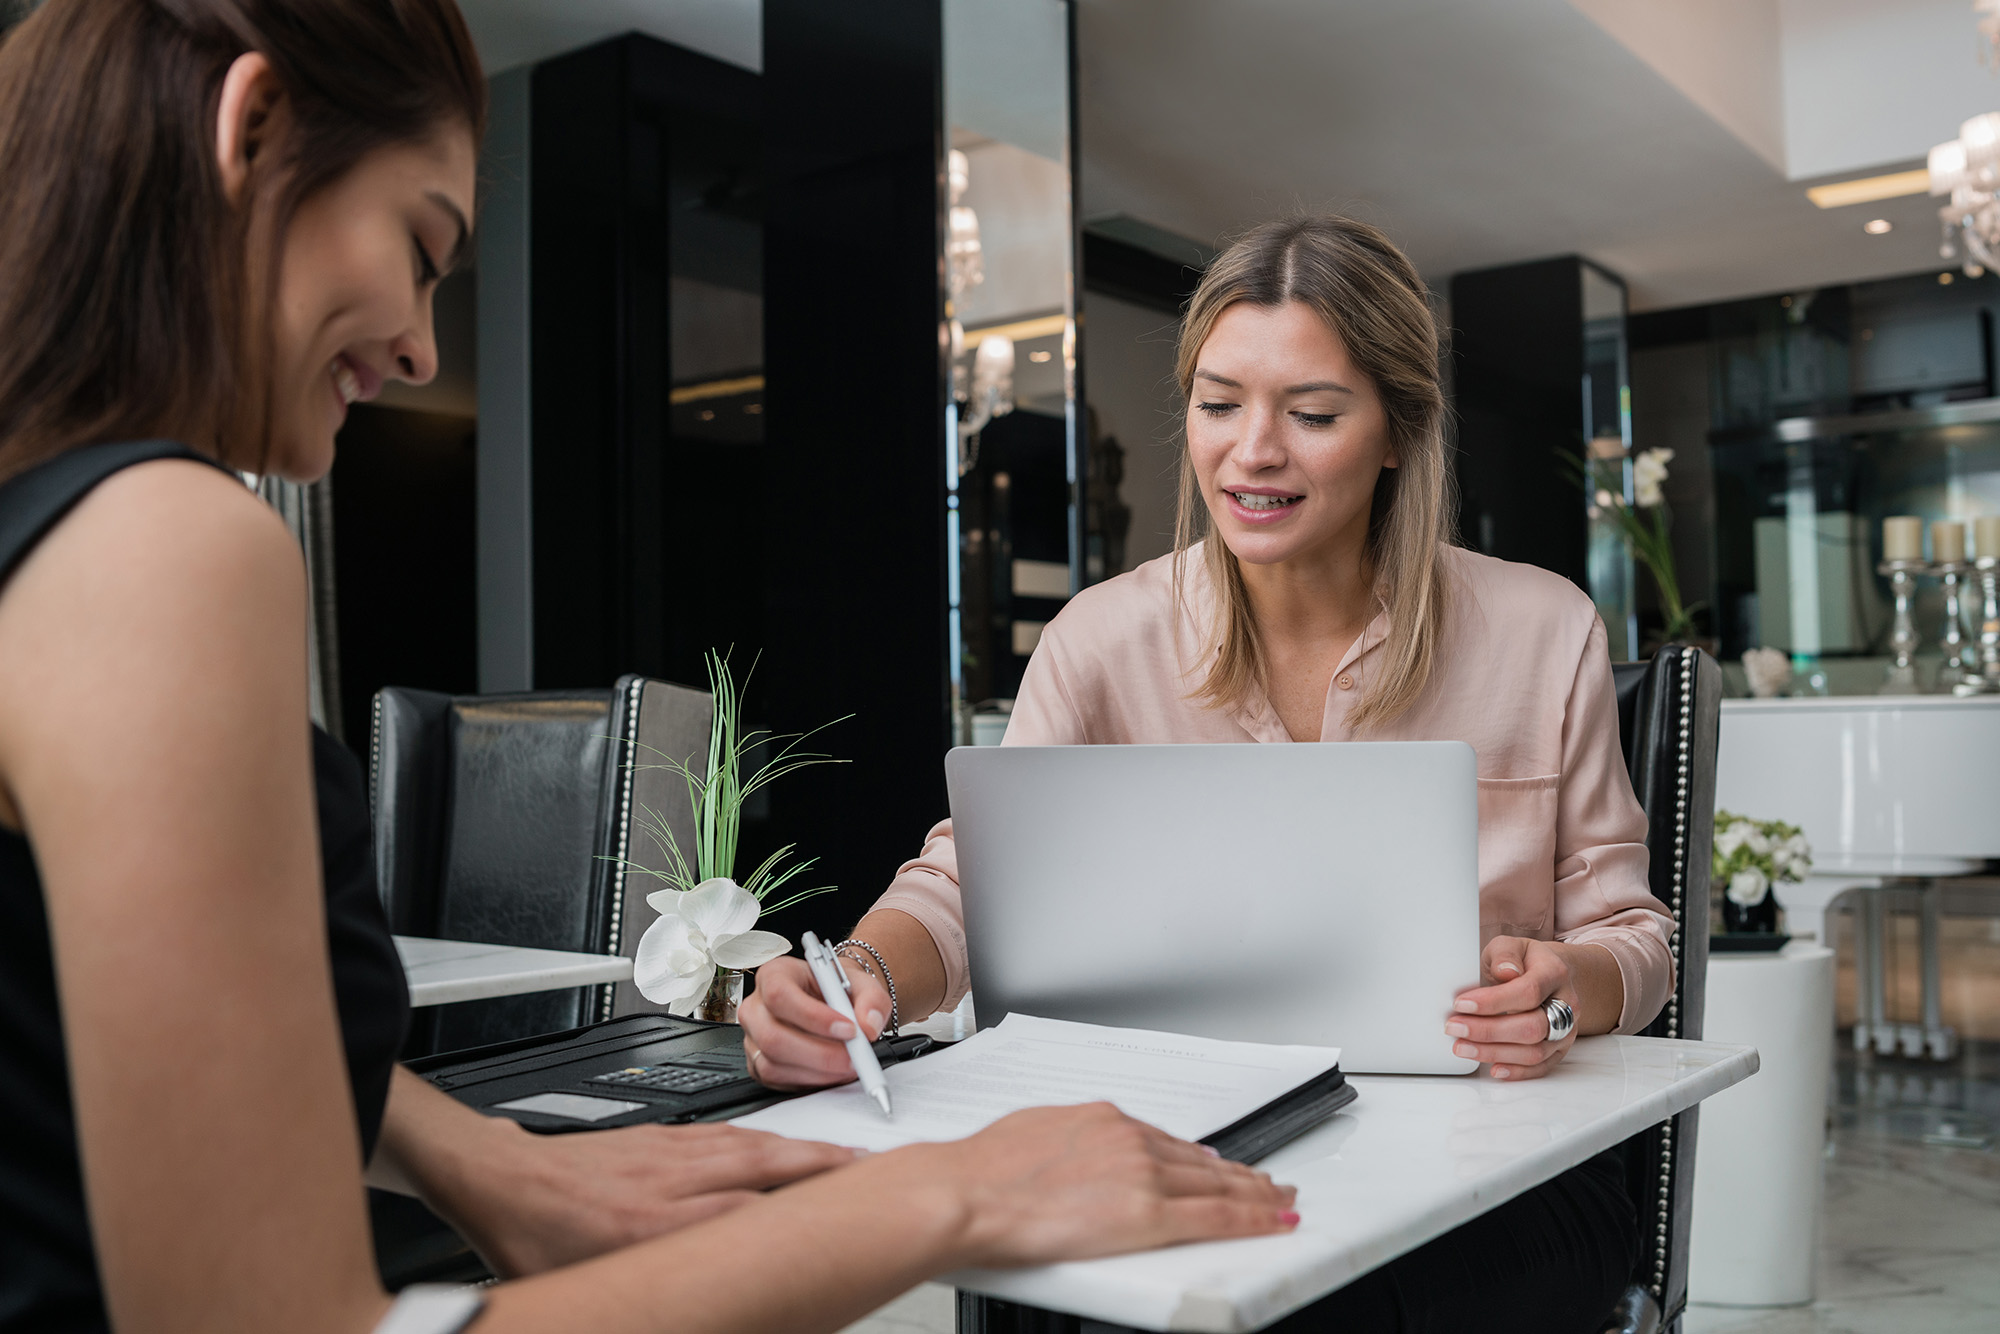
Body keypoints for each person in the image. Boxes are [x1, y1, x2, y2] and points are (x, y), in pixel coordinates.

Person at [0, 2, 1298, 1330]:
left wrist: (485, 1160)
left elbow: (114, 1024)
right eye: (422, 245)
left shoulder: (48, 532)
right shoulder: (165, 541)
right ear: (252, 127)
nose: (423, 349)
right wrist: (946, 1196)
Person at [742, 215, 1677, 1332]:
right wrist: (860, 974)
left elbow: (1634, 936)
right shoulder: (1099, 638)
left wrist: (1563, 989)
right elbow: (962, 885)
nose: (1253, 450)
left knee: (1281, 1304)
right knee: (1052, 1275)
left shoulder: (1540, 627)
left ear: (1394, 432)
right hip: (1183, 1138)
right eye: (1218, 402)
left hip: (1493, 1169)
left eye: (1312, 413)